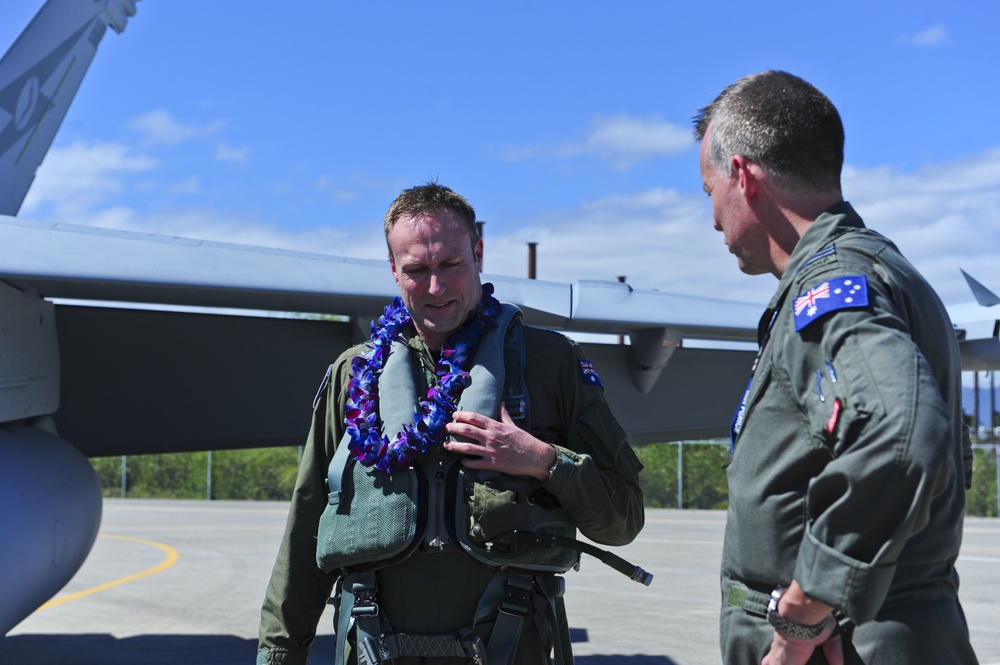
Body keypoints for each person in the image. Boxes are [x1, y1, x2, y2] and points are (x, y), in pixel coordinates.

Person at [256, 182, 645, 665]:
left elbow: (623, 519)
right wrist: (277, 655)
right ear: (393, 270)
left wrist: (543, 461)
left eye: (451, 265)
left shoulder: (550, 364)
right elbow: (306, 530)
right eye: (416, 270)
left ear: (478, 253)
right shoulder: (353, 376)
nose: (436, 288)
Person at [693, 71, 978, 665]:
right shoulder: (885, 271)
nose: (714, 220)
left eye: (709, 191)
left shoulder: (831, 285)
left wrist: (800, 613)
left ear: (744, 177)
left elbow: (900, 437)